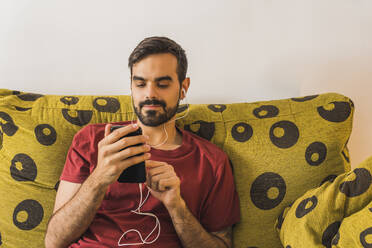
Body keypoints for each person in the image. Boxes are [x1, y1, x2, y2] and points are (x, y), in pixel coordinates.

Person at [45, 36, 240, 248]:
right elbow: (54, 241)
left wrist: (176, 207)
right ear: (131, 86)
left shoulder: (212, 161)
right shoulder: (91, 140)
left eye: (163, 84)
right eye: (140, 83)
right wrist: (99, 178)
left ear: (184, 87)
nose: (150, 94)